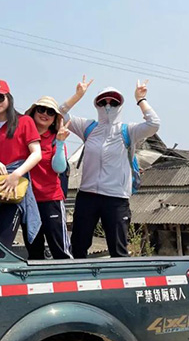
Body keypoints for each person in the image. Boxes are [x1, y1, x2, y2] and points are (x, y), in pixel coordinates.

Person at [61, 79, 160, 258]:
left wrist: (140, 100)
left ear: (120, 105)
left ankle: (121, 283)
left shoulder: (128, 131)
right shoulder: (88, 127)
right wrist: (77, 96)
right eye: (103, 101)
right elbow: (60, 115)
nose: (108, 105)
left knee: (118, 250)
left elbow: (154, 124)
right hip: (87, 195)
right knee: (78, 247)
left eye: (113, 102)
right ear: (97, 104)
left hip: (115, 198)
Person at [0, 78, 42, 250]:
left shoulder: (25, 121)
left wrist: (16, 174)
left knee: (2, 245)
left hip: (15, 188)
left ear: (9, 98)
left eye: (0, 97)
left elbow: (36, 154)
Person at [23, 96, 73, 259]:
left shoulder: (55, 139)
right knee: (34, 250)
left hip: (51, 199)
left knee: (60, 249)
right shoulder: (22, 137)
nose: (45, 114)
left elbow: (59, 167)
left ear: (54, 119)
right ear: (33, 112)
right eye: (41, 109)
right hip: (28, 200)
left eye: (50, 112)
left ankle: (69, 282)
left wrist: (59, 142)